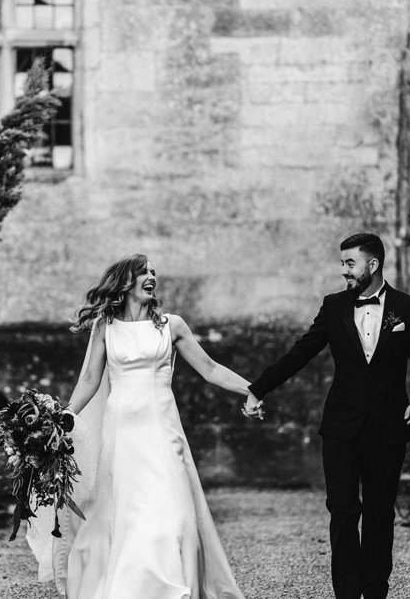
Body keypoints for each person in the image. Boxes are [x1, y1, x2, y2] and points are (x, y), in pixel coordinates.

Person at [27, 253, 248, 599]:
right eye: (143, 272)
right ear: (125, 282)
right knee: (126, 516)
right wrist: (64, 418)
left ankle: (176, 586)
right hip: (122, 435)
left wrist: (251, 389)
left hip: (162, 432)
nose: (152, 277)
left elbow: (210, 368)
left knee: (176, 518)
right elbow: (89, 379)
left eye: (153, 272)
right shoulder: (105, 327)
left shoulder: (171, 325)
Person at [243, 233, 410, 599]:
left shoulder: (409, 308)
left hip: (387, 428)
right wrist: (258, 388)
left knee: (380, 515)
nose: (343, 270)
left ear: (373, 264)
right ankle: (347, 593)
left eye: (350, 263)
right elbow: (300, 352)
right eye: (343, 263)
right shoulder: (333, 306)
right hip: (341, 430)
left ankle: (375, 590)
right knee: (343, 511)